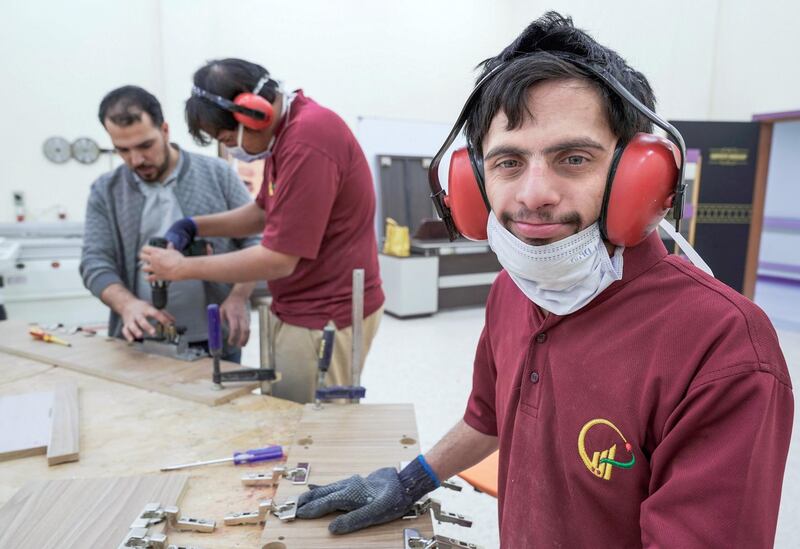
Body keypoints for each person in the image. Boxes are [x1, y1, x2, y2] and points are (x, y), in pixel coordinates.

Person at [292, 12, 794, 547]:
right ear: (473, 184)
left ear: (641, 176)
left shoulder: (724, 348)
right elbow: (488, 419)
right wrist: (407, 481)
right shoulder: (512, 288)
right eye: (508, 162)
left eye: (573, 158)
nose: (534, 194)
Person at [140, 59, 384, 403]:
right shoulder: (286, 132)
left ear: (254, 115)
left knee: (312, 428)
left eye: (227, 138)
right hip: (305, 303)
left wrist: (180, 268)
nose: (230, 149)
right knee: (290, 409)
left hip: (326, 310)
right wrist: (195, 225)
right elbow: (261, 212)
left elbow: (278, 260)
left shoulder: (306, 140)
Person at [80, 86, 258, 362]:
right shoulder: (106, 190)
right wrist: (127, 305)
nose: (136, 160)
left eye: (145, 145)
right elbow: (95, 263)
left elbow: (256, 240)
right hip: (140, 342)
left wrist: (238, 296)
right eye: (123, 150)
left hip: (216, 340)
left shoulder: (217, 174)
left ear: (164, 130)